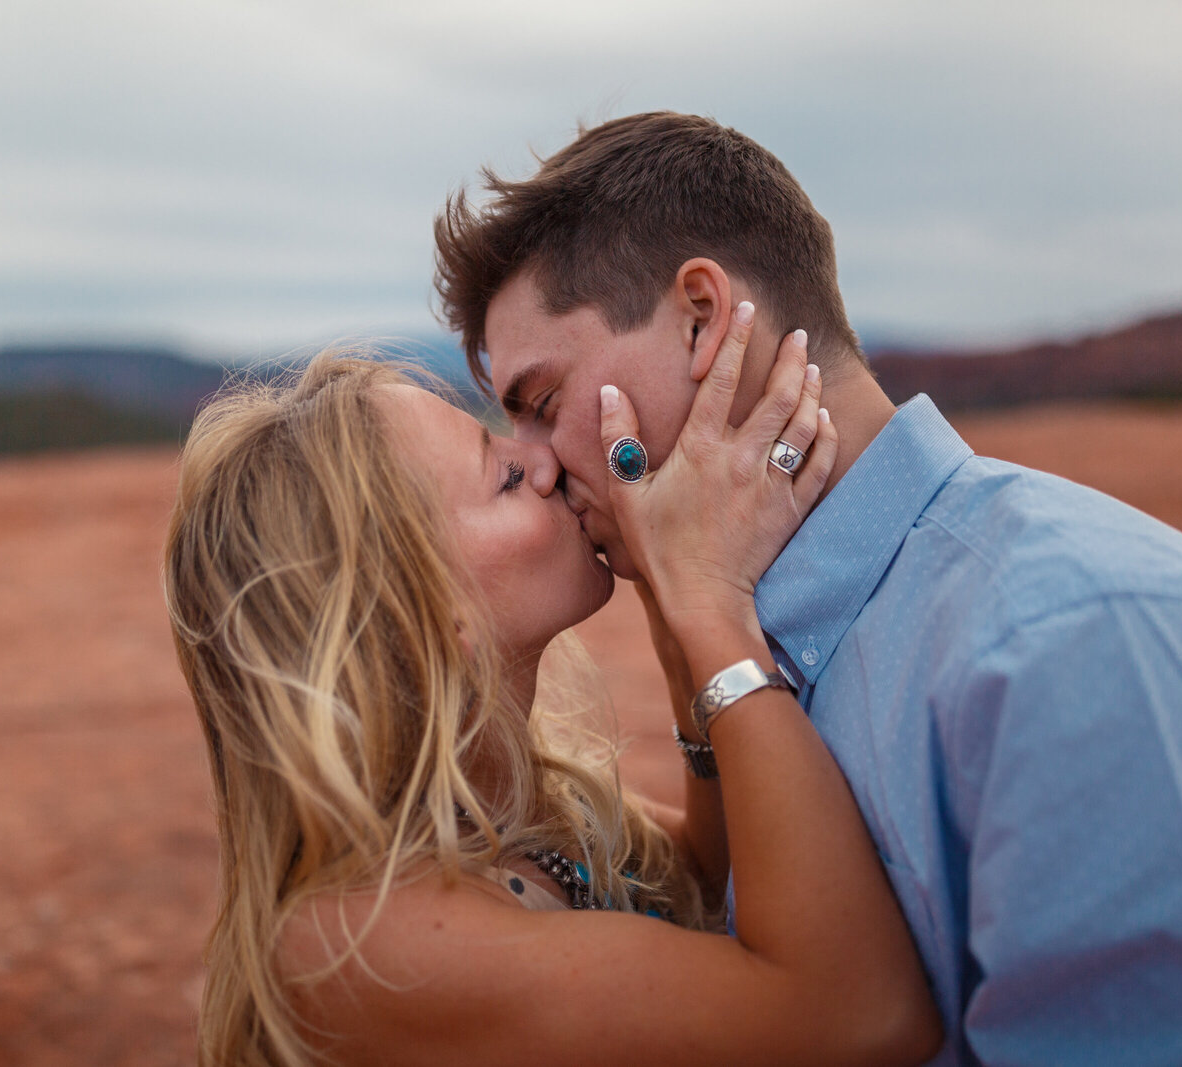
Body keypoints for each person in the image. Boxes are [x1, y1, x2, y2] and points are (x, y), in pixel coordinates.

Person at [434, 110, 1182, 1066]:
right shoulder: (780, 649)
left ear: (702, 321)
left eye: (544, 406)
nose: (538, 467)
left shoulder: (1074, 643)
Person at [162, 317, 943, 1065]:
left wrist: (672, 612)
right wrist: (711, 602)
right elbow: (862, 1013)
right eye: (505, 474)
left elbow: (704, 884)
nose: (546, 463)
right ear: (425, 617)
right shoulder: (360, 942)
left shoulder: (510, 812)